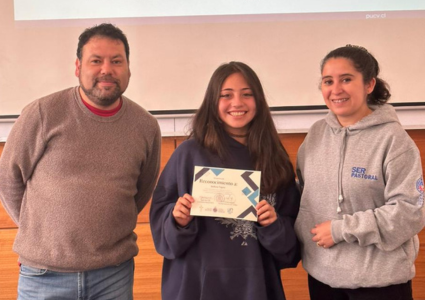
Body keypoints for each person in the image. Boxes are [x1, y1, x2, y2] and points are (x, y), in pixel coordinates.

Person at [0, 23, 161, 299]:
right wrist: (38, 235)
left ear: (129, 68)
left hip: (113, 275)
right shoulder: (42, 114)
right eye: (96, 61)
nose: (106, 70)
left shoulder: (145, 126)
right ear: (78, 67)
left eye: (116, 61)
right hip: (44, 276)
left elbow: (141, 191)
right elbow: (8, 179)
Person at [150, 61, 300, 300]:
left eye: (247, 94)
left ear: (259, 101)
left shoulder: (275, 157)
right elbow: (162, 230)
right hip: (196, 284)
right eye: (226, 95)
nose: (237, 103)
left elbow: (290, 247)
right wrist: (178, 219)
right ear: (212, 102)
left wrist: (273, 225)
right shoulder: (188, 154)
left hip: (257, 285)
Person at [295, 45, 425, 300]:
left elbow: (411, 212)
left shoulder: (394, 140)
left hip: (380, 284)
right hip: (322, 279)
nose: (336, 89)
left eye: (346, 79)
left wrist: (342, 229)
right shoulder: (315, 135)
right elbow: (303, 196)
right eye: (328, 81)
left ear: (369, 84)